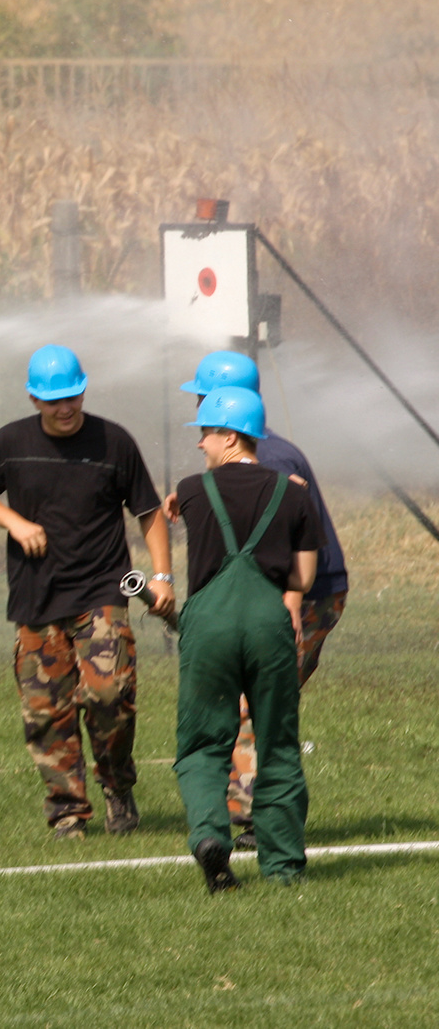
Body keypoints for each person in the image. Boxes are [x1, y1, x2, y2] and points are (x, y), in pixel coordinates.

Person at [0, 345, 174, 839]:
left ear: (83, 390)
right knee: (46, 711)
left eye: (73, 396)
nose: (65, 408)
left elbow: (148, 512)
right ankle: (67, 812)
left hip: (101, 589)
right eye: (54, 400)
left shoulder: (113, 442)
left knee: (108, 695)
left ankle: (118, 787)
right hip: (36, 599)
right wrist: (13, 521)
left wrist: (162, 577)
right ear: (34, 399)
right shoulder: (9, 442)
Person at [177, 350, 348, 849]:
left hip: (301, 595)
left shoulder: (269, 461)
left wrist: (290, 598)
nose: (198, 418)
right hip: (280, 593)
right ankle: (250, 814)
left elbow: (283, 555)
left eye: (201, 399)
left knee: (259, 704)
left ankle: (255, 819)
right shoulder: (267, 450)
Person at [166, 386, 319, 891]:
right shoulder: (295, 494)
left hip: (208, 624)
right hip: (267, 624)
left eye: (206, 434)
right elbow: (303, 579)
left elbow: (176, 507)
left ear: (229, 437)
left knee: (203, 745)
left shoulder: (190, 489)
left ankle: (211, 837)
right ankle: (284, 867)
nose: (200, 445)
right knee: (276, 744)